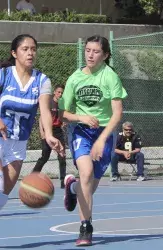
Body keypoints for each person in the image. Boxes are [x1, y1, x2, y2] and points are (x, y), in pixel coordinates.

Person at [58, 35, 127, 246]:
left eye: (96, 51)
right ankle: (85, 227)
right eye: (88, 50)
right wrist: (81, 117)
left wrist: (102, 139)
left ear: (105, 55)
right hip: (80, 131)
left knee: (89, 186)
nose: (90, 54)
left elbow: (117, 113)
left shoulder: (110, 77)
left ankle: (72, 188)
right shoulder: (75, 78)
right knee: (85, 174)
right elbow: (63, 112)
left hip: (105, 133)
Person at [0, 34, 63, 211]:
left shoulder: (42, 81)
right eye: (25, 49)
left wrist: (49, 135)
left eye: (33, 49)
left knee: (2, 197)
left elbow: (44, 110)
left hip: (19, 142)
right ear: (14, 53)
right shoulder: (3, 75)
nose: (30, 53)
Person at [32, 84, 66, 189]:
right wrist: (42, 132)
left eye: (62, 92)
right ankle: (33, 177)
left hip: (58, 131)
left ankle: (63, 181)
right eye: (58, 92)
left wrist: (64, 122)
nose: (60, 94)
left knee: (62, 156)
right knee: (45, 157)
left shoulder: (62, 103)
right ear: (54, 92)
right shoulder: (49, 101)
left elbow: (64, 116)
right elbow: (42, 117)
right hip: (48, 130)